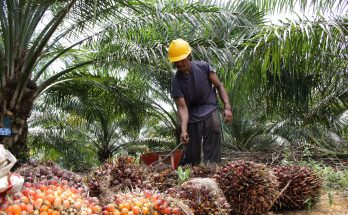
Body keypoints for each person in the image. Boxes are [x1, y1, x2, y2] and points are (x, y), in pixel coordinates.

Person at [168, 38, 232, 166]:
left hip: (209, 108)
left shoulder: (203, 67)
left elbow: (219, 86)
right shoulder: (176, 82)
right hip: (191, 115)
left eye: (182, 60)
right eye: (176, 62)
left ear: (189, 56)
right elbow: (182, 107)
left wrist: (227, 107)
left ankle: (212, 168)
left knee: (214, 128)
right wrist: (184, 130)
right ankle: (191, 174)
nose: (179, 64)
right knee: (191, 154)